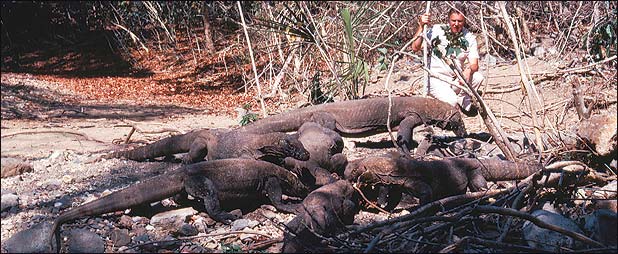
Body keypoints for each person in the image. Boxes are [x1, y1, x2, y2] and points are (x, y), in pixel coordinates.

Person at [411, 3, 483, 116]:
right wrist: (421, 25)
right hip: (435, 80)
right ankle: (451, 105)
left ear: (464, 21)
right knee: (451, 101)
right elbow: (415, 47)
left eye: (460, 21)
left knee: (478, 78)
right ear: (448, 20)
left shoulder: (469, 37)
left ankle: (463, 100)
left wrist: (468, 70)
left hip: (454, 80)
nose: (456, 24)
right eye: (453, 21)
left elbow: (474, 64)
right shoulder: (436, 30)